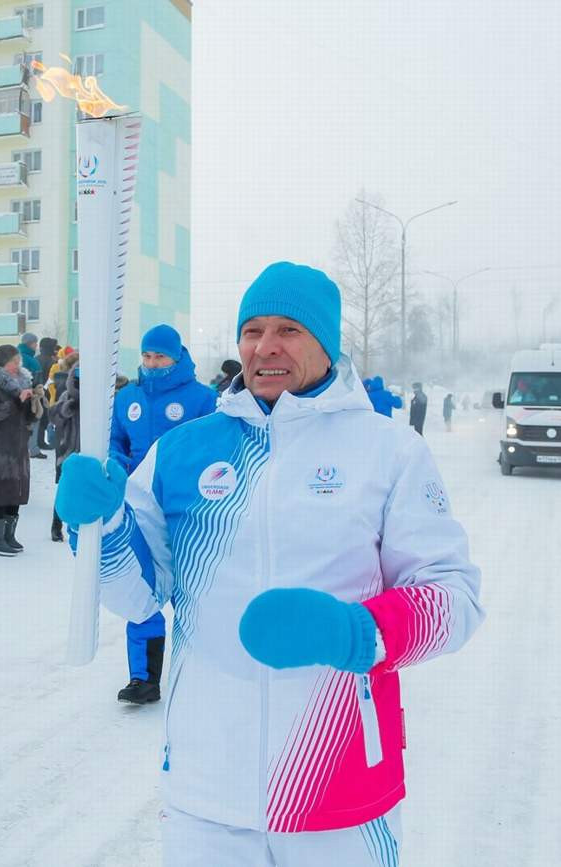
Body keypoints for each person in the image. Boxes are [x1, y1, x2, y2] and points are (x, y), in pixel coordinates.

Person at [55, 261, 483, 864]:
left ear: (326, 343)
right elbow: (138, 596)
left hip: (338, 785)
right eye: (252, 331)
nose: (266, 347)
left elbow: (453, 596)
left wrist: (359, 632)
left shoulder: (389, 451)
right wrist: (100, 529)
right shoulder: (183, 450)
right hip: (205, 790)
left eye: (289, 330)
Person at [109, 323, 219, 706]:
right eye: (146, 355)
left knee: (195, 590)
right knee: (141, 587)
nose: (152, 362)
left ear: (176, 356)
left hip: (188, 507)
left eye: (160, 355)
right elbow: (115, 443)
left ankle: (204, 670)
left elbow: (214, 447)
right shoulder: (127, 399)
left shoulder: (202, 398)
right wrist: (117, 469)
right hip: (139, 508)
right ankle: (144, 678)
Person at [0, 344, 43, 555]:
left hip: (18, 445)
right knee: (0, 492)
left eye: (18, 361)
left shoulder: (23, 382)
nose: (17, 365)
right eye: (13, 361)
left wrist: (34, 403)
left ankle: (9, 535)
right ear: (2, 363)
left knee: (16, 492)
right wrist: (18, 400)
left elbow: (28, 418)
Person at [48, 353, 81, 542]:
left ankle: (80, 525)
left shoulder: (98, 398)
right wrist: (68, 407)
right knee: (65, 488)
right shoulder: (66, 394)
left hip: (90, 450)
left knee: (85, 488)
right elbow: (54, 417)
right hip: (67, 450)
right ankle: (56, 525)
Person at [17, 332, 47, 458]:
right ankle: (33, 450)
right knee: (34, 421)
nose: (37, 346)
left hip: (23, 395)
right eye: (35, 343)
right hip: (32, 396)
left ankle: (23, 448)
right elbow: (31, 379)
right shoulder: (28, 359)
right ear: (29, 344)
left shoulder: (17, 357)